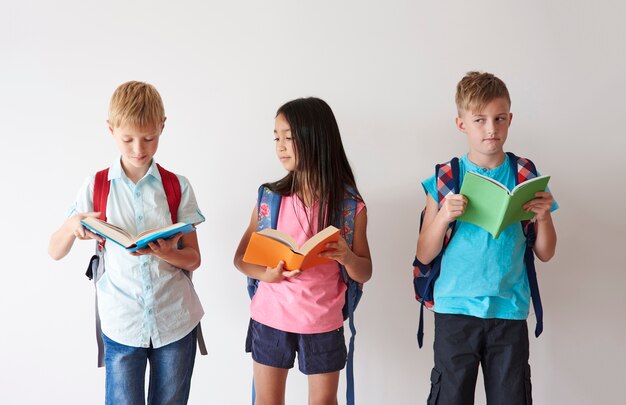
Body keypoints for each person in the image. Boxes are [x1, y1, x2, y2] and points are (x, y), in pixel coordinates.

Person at [48, 81, 205, 405]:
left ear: (162, 127)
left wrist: (167, 254)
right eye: (128, 139)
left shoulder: (177, 186)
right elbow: (54, 250)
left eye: (149, 138)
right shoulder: (96, 185)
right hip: (121, 322)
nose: (138, 148)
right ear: (111, 129)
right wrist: (71, 227)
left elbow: (193, 259)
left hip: (175, 321)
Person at [415, 71, 558, 405]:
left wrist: (544, 215)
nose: (491, 129)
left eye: (499, 118)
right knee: (450, 397)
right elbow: (424, 253)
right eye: (479, 120)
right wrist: (444, 215)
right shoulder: (446, 177)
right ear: (461, 123)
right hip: (455, 310)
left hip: (508, 311)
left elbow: (546, 253)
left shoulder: (526, 175)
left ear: (510, 119)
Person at [234, 97, 372, 405]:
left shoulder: (349, 207)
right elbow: (240, 259)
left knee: (323, 401)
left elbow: (365, 271)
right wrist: (266, 275)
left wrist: (347, 257)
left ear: (316, 139)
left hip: (323, 321)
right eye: (276, 137)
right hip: (270, 319)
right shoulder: (270, 199)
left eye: (289, 137)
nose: (280, 146)